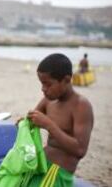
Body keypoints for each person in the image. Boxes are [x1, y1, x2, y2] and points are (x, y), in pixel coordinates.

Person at [26, 53, 94, 187]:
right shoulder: (48, 101)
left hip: (57, 174)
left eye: (48, 84)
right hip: (41, 165)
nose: (43, 89)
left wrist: (49, 125)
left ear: (66, 80)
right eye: (41, 83)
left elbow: (80, 150)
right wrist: (25, 122)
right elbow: (33, 119)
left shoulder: (81, 106)